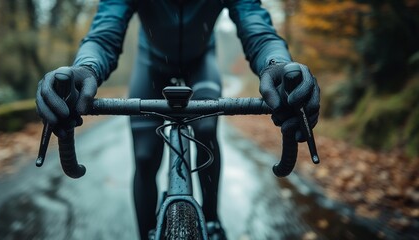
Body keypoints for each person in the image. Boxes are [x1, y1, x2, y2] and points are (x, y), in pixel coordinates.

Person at [36, 0, 320, 239]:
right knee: (146, 156)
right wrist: (85, 69)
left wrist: (277, 65)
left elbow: (257, 30)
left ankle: (211, 219)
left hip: (201, 63)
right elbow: (104, 35)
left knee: (206, 128)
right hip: (151, 65)